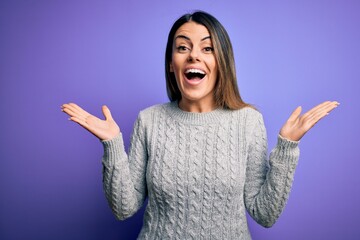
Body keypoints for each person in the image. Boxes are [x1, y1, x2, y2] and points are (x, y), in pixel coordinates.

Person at [61, 11, 338, 240]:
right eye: (183, 47)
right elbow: (124, 208)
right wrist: (112, 146)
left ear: (221, 62)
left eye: (207, 48)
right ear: (172, 63)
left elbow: (264, 214)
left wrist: (287, 149)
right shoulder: (149, 120)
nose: (193, 55)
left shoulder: (248, 121)